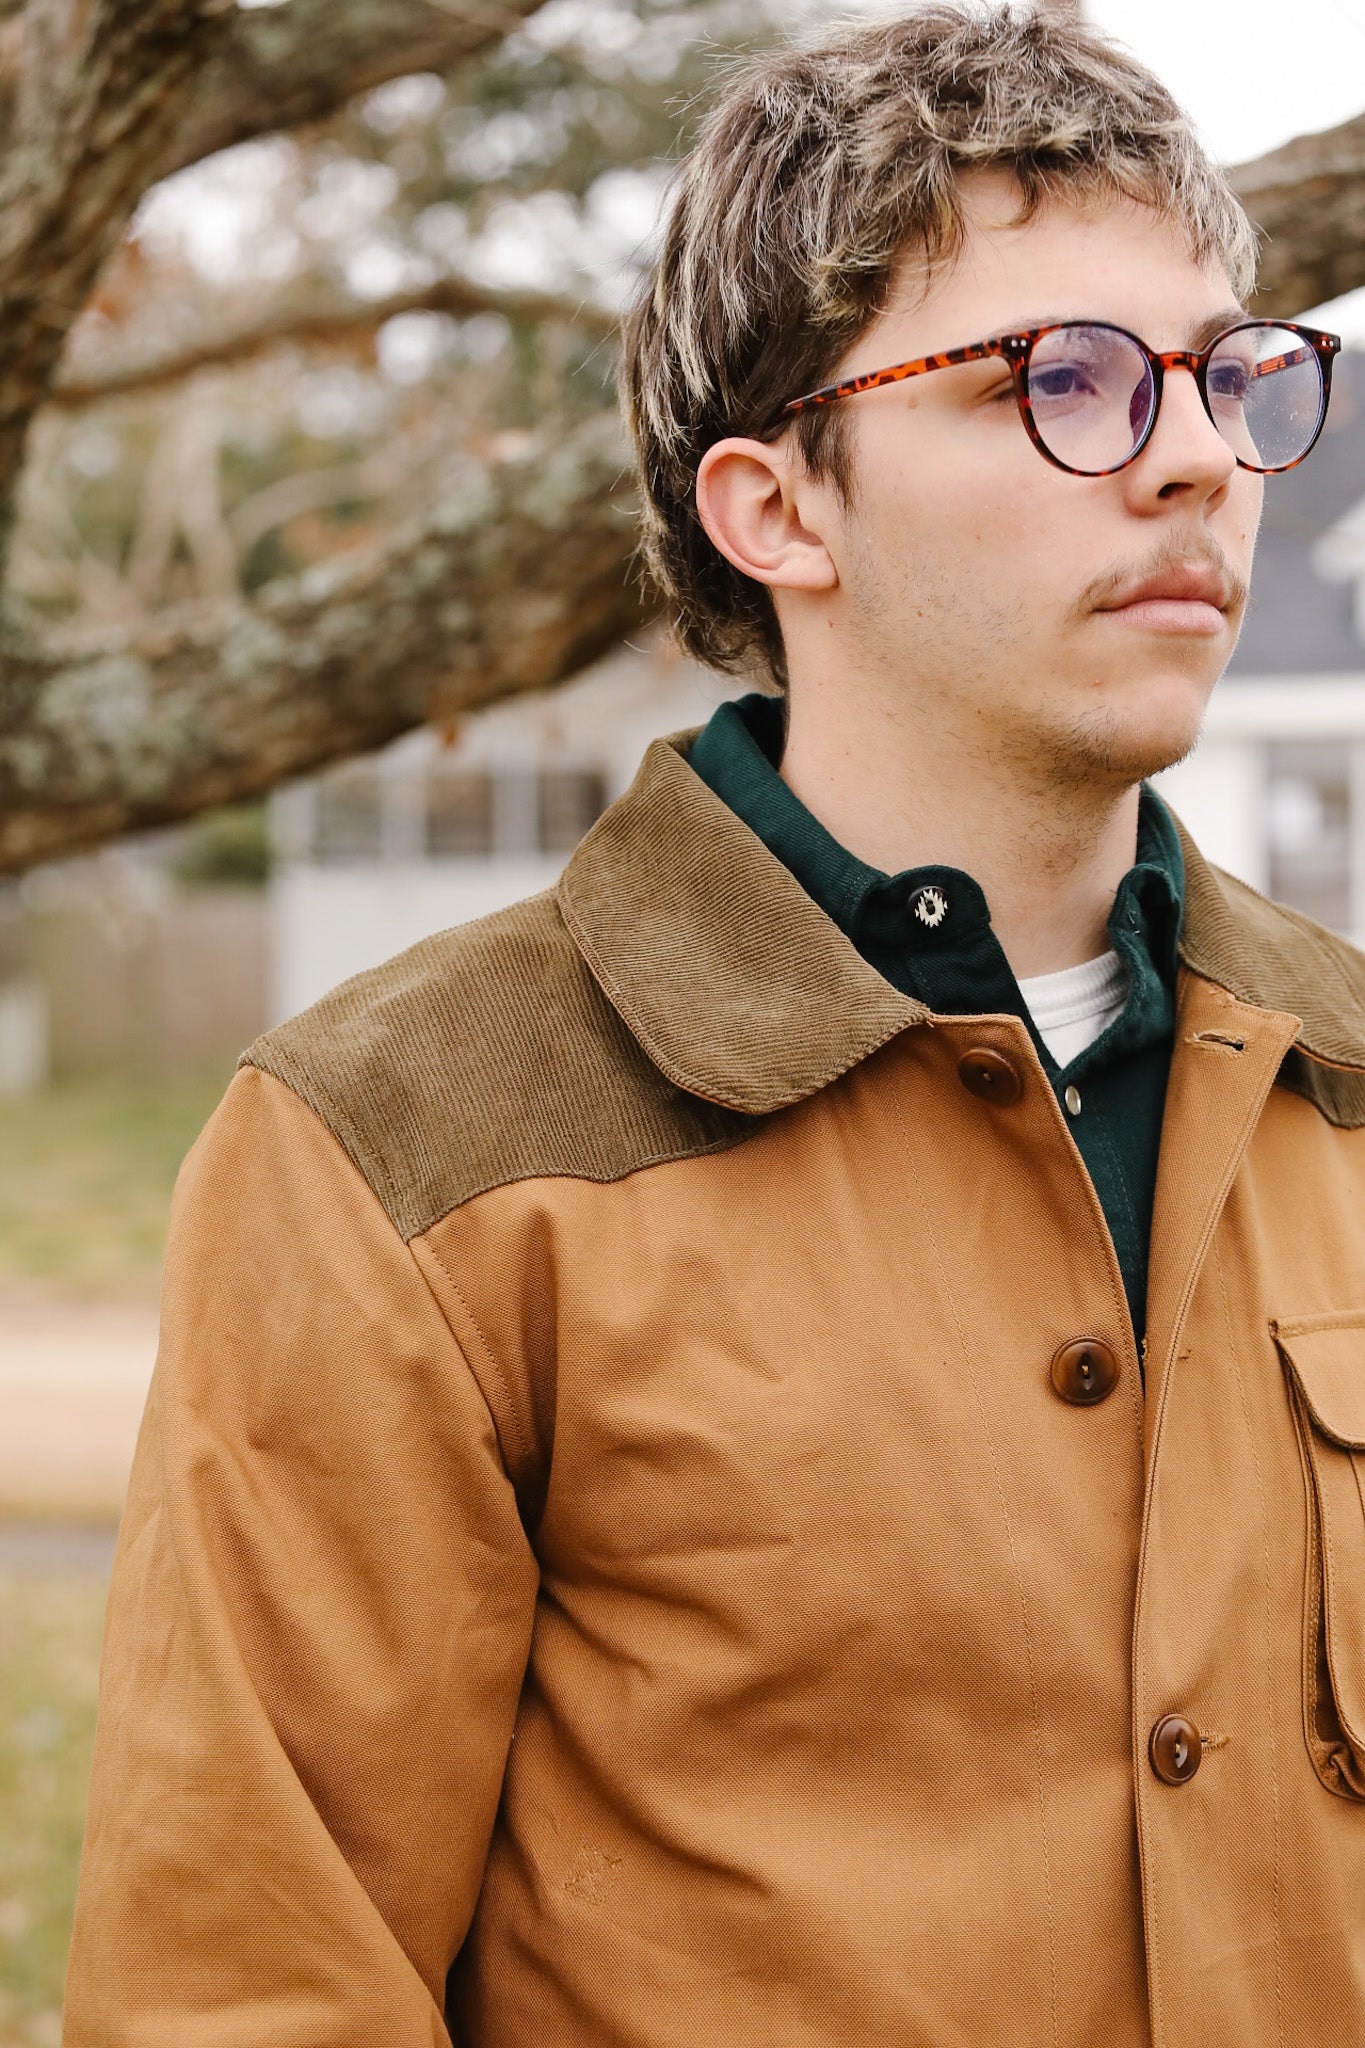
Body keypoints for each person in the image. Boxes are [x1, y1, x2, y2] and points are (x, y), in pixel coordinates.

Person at [64, 7, 1363, 2045]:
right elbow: (248, 1992)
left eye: (1223, 375)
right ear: (778, 509)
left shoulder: (1347, 1088)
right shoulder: (396, 1145)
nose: (1198, 453)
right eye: (1067, 383)